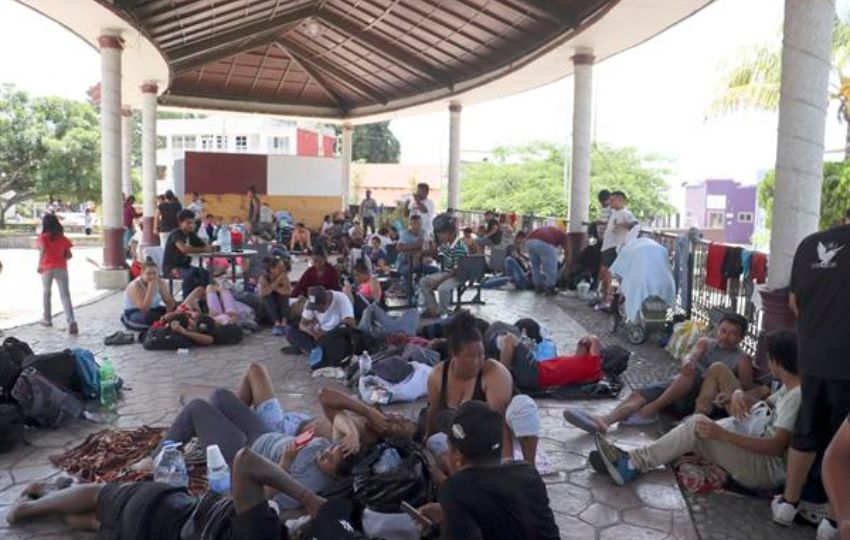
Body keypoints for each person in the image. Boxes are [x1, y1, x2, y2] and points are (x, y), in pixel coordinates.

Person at [593, 330, 801, 494]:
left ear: (777, 361)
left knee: (696, 425)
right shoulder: (788, 386)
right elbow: (763, 402)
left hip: (764, 469)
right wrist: (736, 395)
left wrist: (724, 435)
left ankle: (631, 463)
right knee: (697, 426)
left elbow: (775, 447)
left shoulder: (796, 395)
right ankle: (630, 460)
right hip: (753, 441)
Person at [6, 444, 361, 539]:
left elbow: (246, 460)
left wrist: (308, 499)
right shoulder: (262, 528)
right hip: (146, 533)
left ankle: (25, 509)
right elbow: (251, 506)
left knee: (103, 495)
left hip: (160, 512)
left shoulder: (264, 532)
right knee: (94, 523)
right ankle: (53, 499)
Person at [771, 212, 850, 539]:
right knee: (843, 448)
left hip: (812, 356)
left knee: (807, 429)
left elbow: (794, 302)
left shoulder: (809, 244)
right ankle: (832, 522)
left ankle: (788, 505)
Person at [563, 312, 752, 433]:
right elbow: (690, 356)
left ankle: (649, 411)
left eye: (732, 333)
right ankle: (606, 420)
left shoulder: (741, 359)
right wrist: (689, 361)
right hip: (679, 386)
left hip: (699, 397)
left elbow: (742, 387)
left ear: (741, 338)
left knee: (687, 376)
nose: (726, 336)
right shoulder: (705, 343)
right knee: (644, 392)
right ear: (717, 330)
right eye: (723, 330)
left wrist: (725, 394)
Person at [418, 401, 559, 540]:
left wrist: (451, 512)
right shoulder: (528, 472)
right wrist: (450, 513)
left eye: (448, 447)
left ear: (457, 455)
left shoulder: (455, 489)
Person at [425, 311, 540, 464]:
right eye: (471, 357)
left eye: (481, 355)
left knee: (523, 405)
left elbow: (498, 421)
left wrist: (505, 465)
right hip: (464, 437)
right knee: (435, 443)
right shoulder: (437, 376)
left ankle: (528, 466)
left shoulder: (494, 372)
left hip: (498, 434)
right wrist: (425, 438)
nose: (478, 361)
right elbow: (433, 411)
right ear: (453, 354)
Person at [498, 333, 603, 392]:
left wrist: (589, 338)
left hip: (536, 374)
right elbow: (581, 347)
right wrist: (583, 342)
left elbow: (594, 339)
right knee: (506, 343)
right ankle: (503, 375)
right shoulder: (584, 363)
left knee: (509, 339)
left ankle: (501, 380)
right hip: (536, 372)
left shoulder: (593, 365)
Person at [283, 285, 355, 357]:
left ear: (326, 302)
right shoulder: (311, 303)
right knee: (290, 330)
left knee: (340, 339)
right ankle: (316, 351)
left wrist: (326, 332)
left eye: (318, 307)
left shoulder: (341, 298)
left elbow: (350, 323)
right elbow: (302, 324)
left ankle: (314, 351)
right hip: (318, 336)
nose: (316, 310)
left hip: (335, 335)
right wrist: (310, 332)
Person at [37, 213, 78, 335]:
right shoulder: (63, 239)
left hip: (47, 267)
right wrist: (61, 256)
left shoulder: (43, 237)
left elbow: (42, 250)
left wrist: (39, 264)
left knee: (46, 293)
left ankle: (47, 319)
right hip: (61, 268)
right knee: (65, 295)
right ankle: (71, 321)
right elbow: (69, 255)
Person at [419, 220, 469, 318]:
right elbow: (438, 258)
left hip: (458, 275)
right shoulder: (446, 244)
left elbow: (457, 269)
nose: (440, 236)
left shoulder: (460, 246)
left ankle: (444, 313)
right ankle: (433, 309)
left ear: (451, 233)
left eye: (442, 234)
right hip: (446, 273)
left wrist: (441, 280)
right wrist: (433, 248)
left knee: (443, 288)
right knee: (423, 281)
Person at [598, 190, 639, 309]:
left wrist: (625, 238)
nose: (610, 202)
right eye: (610, 200)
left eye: (612, 200)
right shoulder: (615, 212)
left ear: (620, 200)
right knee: (606, 274)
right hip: (607, 247)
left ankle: (610, 299)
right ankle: (606, 297)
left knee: (612, 274)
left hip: (615, 248)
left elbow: (635, 225)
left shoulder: (625, 213)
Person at [163, 209, 212, 299]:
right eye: (188, 223)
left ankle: (204, 299)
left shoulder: (191, 235)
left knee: (205, 273)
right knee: (190, 275)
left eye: (193, 222)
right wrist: (204, 248)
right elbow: (184, 249)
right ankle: (186, 301)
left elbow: (204, 246)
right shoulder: (175, 234)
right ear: (180, 223)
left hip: (185, 266)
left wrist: (210, 247)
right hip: (172, 268)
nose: (191, 225)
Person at [122, 260, 177, 328]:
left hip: (154, 309)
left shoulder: (159, 282)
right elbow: (144, 309)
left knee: (176, 311)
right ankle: (163, 323)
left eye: (154, 273)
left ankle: (165, 322)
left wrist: (169, 312)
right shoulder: (135, 286)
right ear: (142, 273)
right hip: (135, 312)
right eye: (148, 273)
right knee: (150, 317)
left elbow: (169, 302)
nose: (152, 276)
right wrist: (150, 289)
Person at [524, 225, 570, 295]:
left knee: (535, 267)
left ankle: (538, 286)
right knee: (551, 266)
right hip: (545, 241)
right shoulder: (564, 236)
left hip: (529, 241)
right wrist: (567, 265)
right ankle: (550, 288)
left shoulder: (552, 230)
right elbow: (567, 251)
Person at [257, 257, 291, 336]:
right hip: (268, 310)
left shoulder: (284, 277)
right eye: (279, 268)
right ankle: (277, 324)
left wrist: (273, 288)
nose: (282, 270)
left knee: (284, 296)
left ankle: (284, 322)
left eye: (282, 268)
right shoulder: (263, 279)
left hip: (281, 308)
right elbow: (263, 293)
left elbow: (287, 292)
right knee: (268, 297)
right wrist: (277, 282)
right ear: (272, 269)